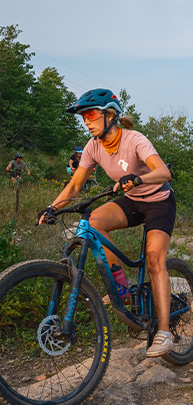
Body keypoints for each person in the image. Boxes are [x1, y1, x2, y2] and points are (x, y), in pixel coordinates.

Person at [38, 88, 176, 358]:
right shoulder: (93, 147)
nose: (86, 121)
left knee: (154, 259)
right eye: (83, 117)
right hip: (132, 201)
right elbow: (75, 185)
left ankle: (164, 332)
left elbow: (163, 172)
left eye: (90, 114)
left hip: (159, 201)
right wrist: (52, 208)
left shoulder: (135, 139)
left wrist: (138, 179)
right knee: (94, 222)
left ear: (110, 115)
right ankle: (122, 288)